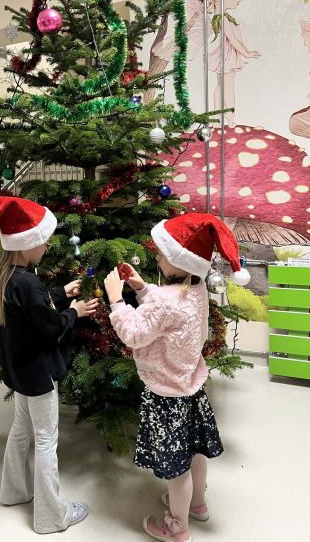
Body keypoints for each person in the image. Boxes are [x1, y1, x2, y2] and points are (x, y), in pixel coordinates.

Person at [104, 213, 250, 542]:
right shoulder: (196, 289)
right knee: (194, 450)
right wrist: (142, 288)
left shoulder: (165, 300)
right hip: (191, 388)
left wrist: (116, 299)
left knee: (176, 466)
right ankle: (197, 504)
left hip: (166, 395)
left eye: (161, 252)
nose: (156, 256)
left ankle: (177, 528)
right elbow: (168, 312)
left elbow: (135, 333)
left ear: (179, 262)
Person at [0, 196, 98, 534]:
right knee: (46, 439)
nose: (47, 246)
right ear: (27, 243)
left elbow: (33, 309)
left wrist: (60, 293)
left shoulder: (8, 274)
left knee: (22, 428)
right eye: (44, 240)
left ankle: (13, 491)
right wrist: (74, 312)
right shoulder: (27, 281)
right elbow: (50, 327)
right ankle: (51, 517)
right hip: (38, 372)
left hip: (20, 370)